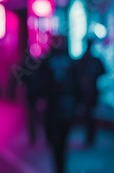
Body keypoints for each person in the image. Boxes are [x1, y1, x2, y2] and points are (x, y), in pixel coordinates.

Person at [40, 36, 80, 173]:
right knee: (55, 138)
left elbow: (76, 83)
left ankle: (60, 167)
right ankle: (59, 165)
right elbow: (41, 81)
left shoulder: (70, 62)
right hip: (53, 105)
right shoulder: (48, 62)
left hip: (65, 105)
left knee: (62, 140)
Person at [74, 39, 105, 146]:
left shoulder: (87, 60)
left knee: (90, 115)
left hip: (90, 92)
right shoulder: (89, 60)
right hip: (88, 93)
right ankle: (90, 137)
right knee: (89, 115)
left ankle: (90, 137)